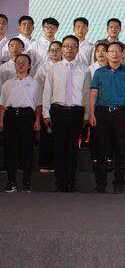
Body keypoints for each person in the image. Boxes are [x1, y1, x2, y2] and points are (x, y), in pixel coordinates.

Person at [42, 35, 90, 192]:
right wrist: (46, 113)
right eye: (66, 46)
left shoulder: (85, 69)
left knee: (73, 148)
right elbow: (47, 91)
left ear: (78, 49)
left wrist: (86, 115)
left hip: (76, 112)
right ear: (61, 49)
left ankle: (71, 182)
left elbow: (86, 94)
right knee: (59, 148)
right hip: (58, 111)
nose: (69, 49)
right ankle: (60, 182)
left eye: (73, 46)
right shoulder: (53, 68)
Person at [88, 42, 125, 193]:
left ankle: (119, 184)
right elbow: (93, 95)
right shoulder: (99, 72)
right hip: (102, 113)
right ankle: (100, 184)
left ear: (122, 54)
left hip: (120, 113)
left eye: (117, 51)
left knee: (120, 149)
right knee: (101, 149)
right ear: (107, 54)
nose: (114, 54)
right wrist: (91, 113)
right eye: (111, 51)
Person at [0, 54, 41, 193]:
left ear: (29, 66)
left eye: (24, 62)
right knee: (10, 150)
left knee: (27, 150)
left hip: (27, 116)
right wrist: (1, 121)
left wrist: (37, 120)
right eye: (18, 62)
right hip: (10, 116)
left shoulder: (34, 83)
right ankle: (11, 182)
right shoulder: (7, 83)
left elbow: (38, 104)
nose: (20, 64)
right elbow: (2, 105)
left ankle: (26, 182)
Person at [35, 40, 62, 173]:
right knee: (46, 136)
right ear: (48, 52)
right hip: (47, 105)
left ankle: (59, 164)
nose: (55, 52)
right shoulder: (43, 68)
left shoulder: (66, 66)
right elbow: (37, 87)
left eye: (58, 49)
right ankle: (45, 164)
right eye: (52, 50)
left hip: (62, 106)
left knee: (60, 137)